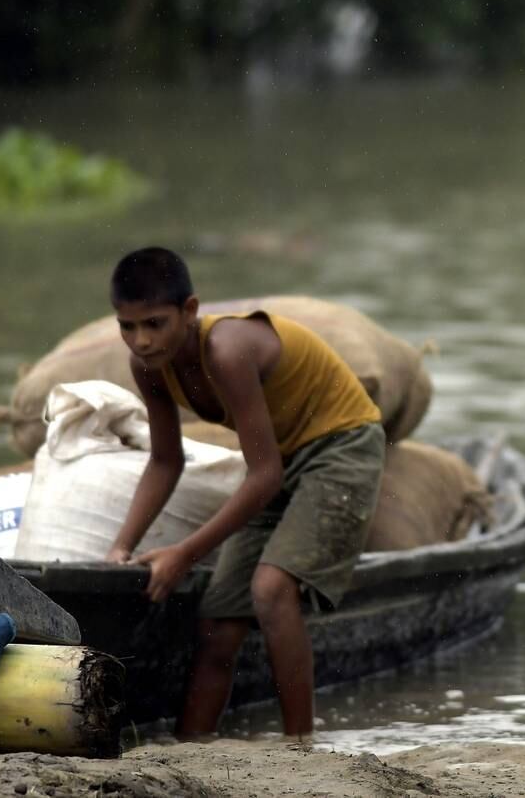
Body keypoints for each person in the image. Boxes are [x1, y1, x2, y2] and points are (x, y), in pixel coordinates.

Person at [104, 247, 385, 741]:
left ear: (190, 311)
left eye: (154, 323)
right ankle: (191, 746)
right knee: (218, 621)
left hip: (341, 447)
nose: (142, 341)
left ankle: (300, 745)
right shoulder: (148, 366)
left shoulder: (227, 350)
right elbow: (165, 461)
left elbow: (263, 476)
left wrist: (184, 554)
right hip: (281, 457)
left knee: (271, 590)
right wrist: (120, 549)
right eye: (128, 327)